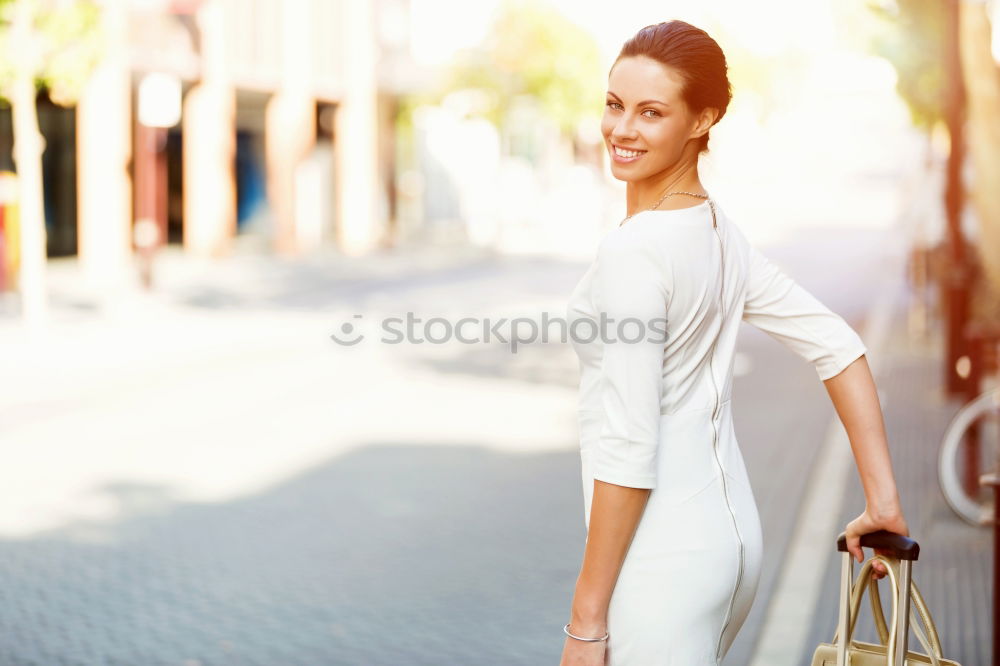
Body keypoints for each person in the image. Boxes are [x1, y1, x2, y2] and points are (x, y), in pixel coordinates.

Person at [560, 20, 910, 666]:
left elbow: (630, 446)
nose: (621, 129)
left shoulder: (636, 253)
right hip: (731, 548)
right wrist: (882, 502)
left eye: (651, 112)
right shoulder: (718, 230)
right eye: (614, 104)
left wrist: (586, 620)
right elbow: (837, 345)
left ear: (702, 121)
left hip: (661, 563)